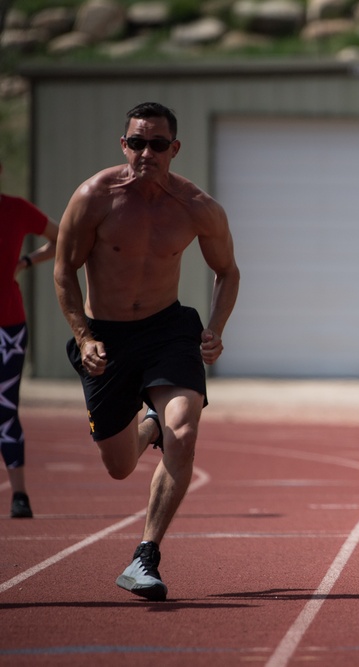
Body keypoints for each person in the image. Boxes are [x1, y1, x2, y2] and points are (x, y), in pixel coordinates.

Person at [54, 102, 240, 600]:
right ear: (124, 144)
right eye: (136, 142)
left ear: (174, 149)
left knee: (184, 430)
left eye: (157, 144)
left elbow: (228, 271)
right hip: (106, 338)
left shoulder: (196, 207)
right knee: (118, 465)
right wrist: (82, 335)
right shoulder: (94, 197)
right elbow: (63, 271)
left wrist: (215, 329)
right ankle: (150, 424)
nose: (146, 153)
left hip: (168, 331)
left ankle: (146, 555)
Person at [1, 160, 59, 519]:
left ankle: (19, 495)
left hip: (7, 326)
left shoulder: (16, 209)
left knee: (5, 408)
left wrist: (27, 261)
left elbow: (62, 236)